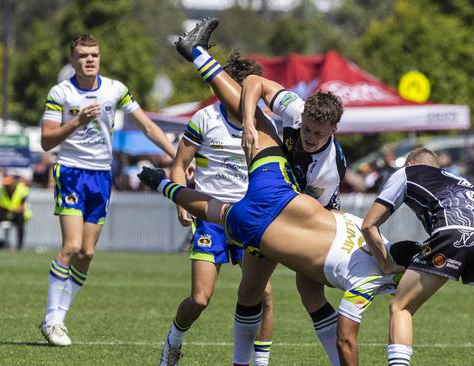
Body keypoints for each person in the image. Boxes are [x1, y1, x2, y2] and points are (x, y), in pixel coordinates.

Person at [137, 151, 421, 366]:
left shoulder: (373, 234)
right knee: (226, 230)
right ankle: (162, 185)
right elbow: (346, 338)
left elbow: (334, 215)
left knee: (282, 291)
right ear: (398, 272)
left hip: (284, 196)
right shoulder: (368, 279)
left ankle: (162, 184)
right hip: (264, 229)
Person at [174, 18, 347, 365]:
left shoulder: (328, 169)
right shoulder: (297, 110)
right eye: (307, 129)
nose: (310, 137)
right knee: (252, 289)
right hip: (270, 184)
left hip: (294, 211)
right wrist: (250, 123)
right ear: (305, 117)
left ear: (334, 130)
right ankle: (195, 52)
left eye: (318, 134)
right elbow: (254, 82)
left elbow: (313, 213)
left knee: (307, 289)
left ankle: (336, 358)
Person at [39, 34, 176, 347]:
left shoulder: (115, 89)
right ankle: (52, 319)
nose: (90, 59)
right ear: (72, 60)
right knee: (72, 246)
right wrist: (76, 122)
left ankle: (60, 316)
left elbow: (148, 126)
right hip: (71, 172)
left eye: (95, 55)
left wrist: (175, 156)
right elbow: (46, 141)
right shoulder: (61, 93)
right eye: (83, 55)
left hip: (101, 177)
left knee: (87, 253)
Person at [360, 147, 474, 366]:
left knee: (400, 307)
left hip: (453, 233)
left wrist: (386, 265)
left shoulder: (407, 173)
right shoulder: (461, 179)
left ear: (411, 164)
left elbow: (369, 224)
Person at [159, 51, 275, 366]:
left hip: (250, 217)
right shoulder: (205, 119)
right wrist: (180, 202)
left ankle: (260, 362)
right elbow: (180, 165)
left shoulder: (265, 127)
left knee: (264, 294)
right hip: (210, 217)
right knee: (200, 298)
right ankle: (174, 341)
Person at [0, 175, 31, 250]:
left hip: (18, 214)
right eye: (6, 185)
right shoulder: (1, 190)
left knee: (20, 219)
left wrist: (9, 208)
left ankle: (20, 245)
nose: (7, 187)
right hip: (6, 212)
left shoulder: (22, 190)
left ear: (14, 183)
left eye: (9, 185)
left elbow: (21, 208)